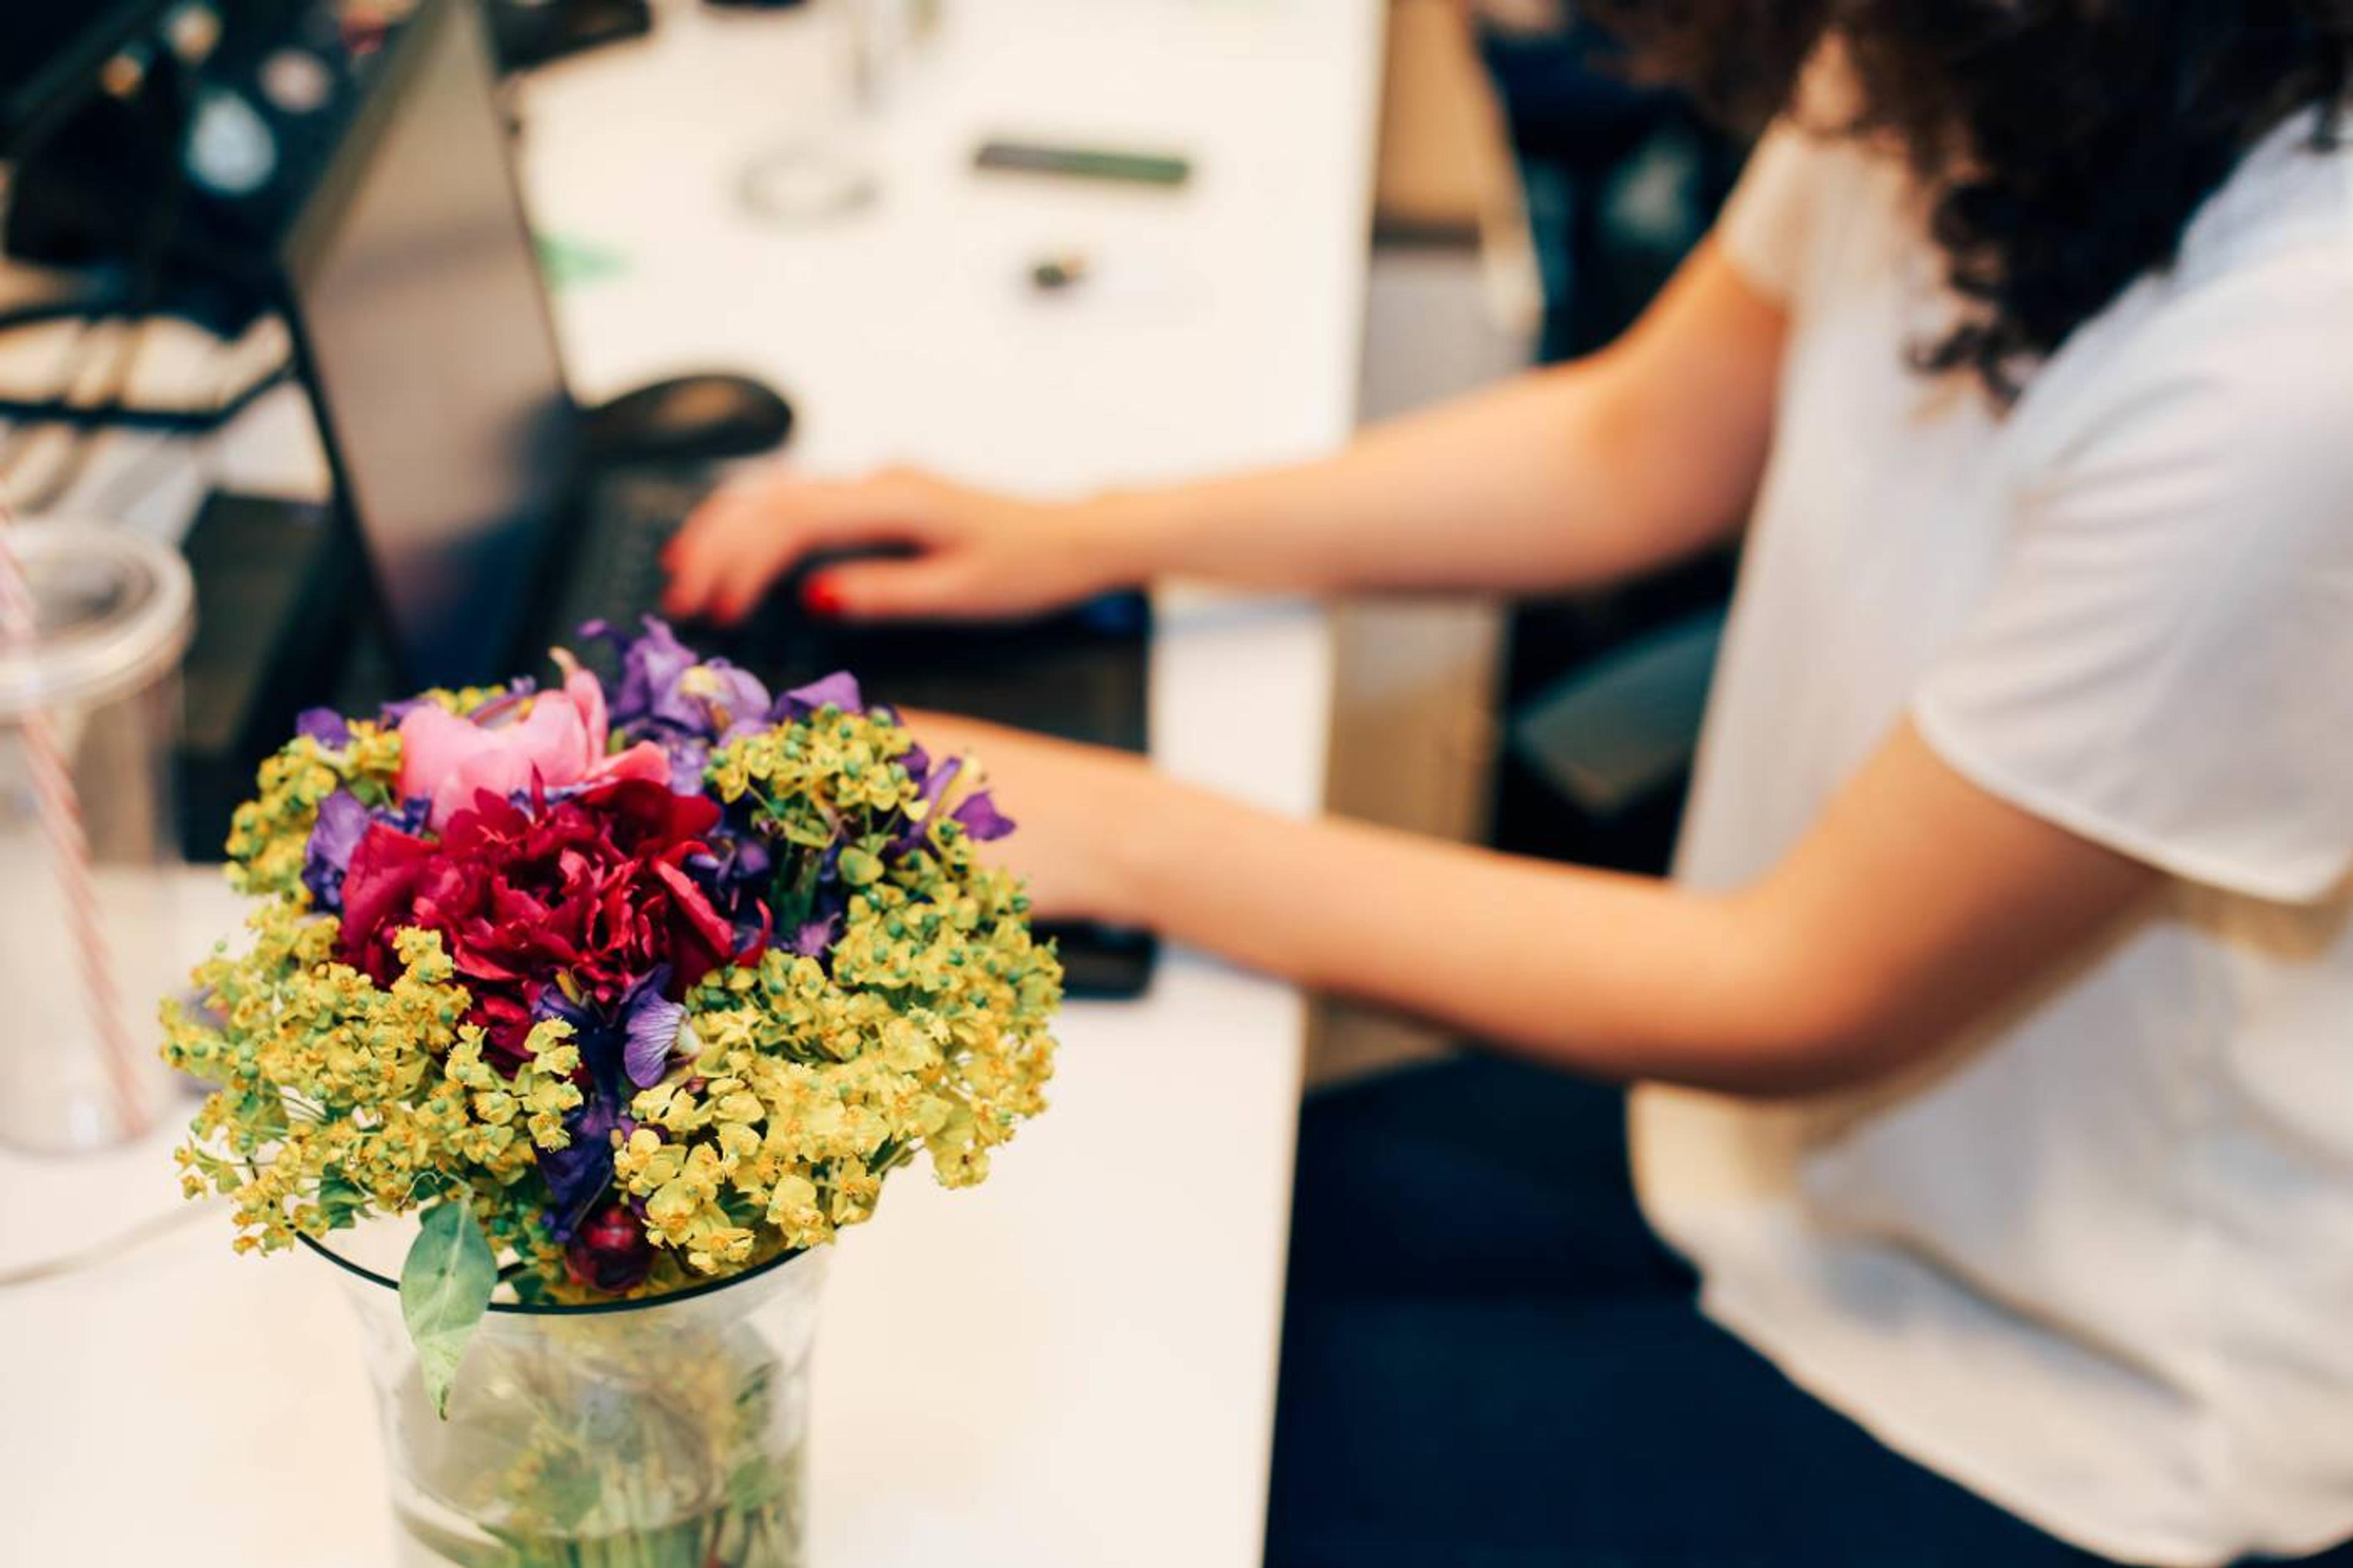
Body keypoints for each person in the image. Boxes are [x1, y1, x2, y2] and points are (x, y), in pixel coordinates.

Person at [663, 3, 2353, 1562]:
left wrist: (1113, 829)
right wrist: (1082, 536)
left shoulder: (2295, 361)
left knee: (1112, 1486)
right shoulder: (1970, 49)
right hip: (1774, 1172)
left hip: (2080, 1382)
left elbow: (1808, 984)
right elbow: (1638, 442)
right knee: (1151, 1272)